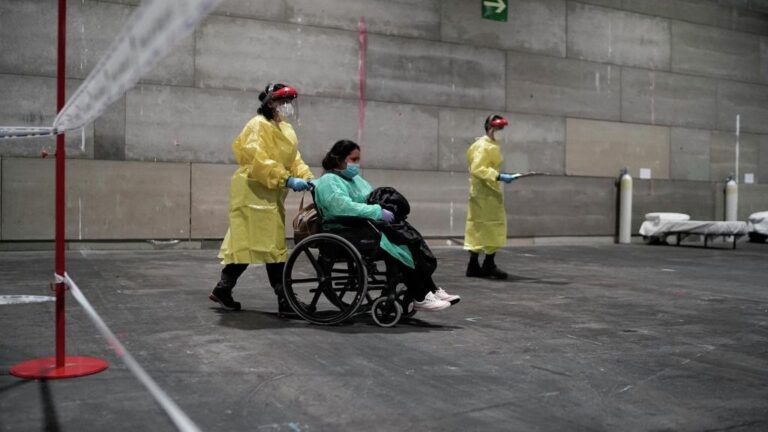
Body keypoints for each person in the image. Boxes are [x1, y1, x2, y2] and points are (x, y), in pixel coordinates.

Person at [312, 140, 460, 312]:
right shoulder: (329, 181)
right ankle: (420, 295)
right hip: (344, 230)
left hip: (362, 225)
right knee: (400, 243)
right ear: (339, 159)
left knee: (409, 238)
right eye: (353, 159)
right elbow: (342, 207)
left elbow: (370, 197)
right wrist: (377, 211)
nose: (356, 164)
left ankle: (429, 289)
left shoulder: (355, 180)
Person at [209, 83, 313, 313]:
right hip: (253, 191)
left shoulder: (285, 129)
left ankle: (223, 289)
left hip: (270, 193)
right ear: (269, 102)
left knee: (251, 243)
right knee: (268, 245)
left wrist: (308, 177)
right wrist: (286, 179)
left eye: (289, 101)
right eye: (282, 101)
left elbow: (294, 159)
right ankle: (285, 300)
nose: (286, 106)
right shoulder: (257, 125)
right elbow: (257, 159)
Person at [464, 114, 520, 279]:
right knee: (488, 227)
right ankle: (487, 264)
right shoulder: (483, 146)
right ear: (490, 128)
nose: (501, 132)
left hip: (484, 192)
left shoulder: (487, 144)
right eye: (499, 128)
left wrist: (498, 176)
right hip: (485, 192)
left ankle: (476, 265)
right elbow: (478, 168)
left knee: (480, 227)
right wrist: (499, 176)